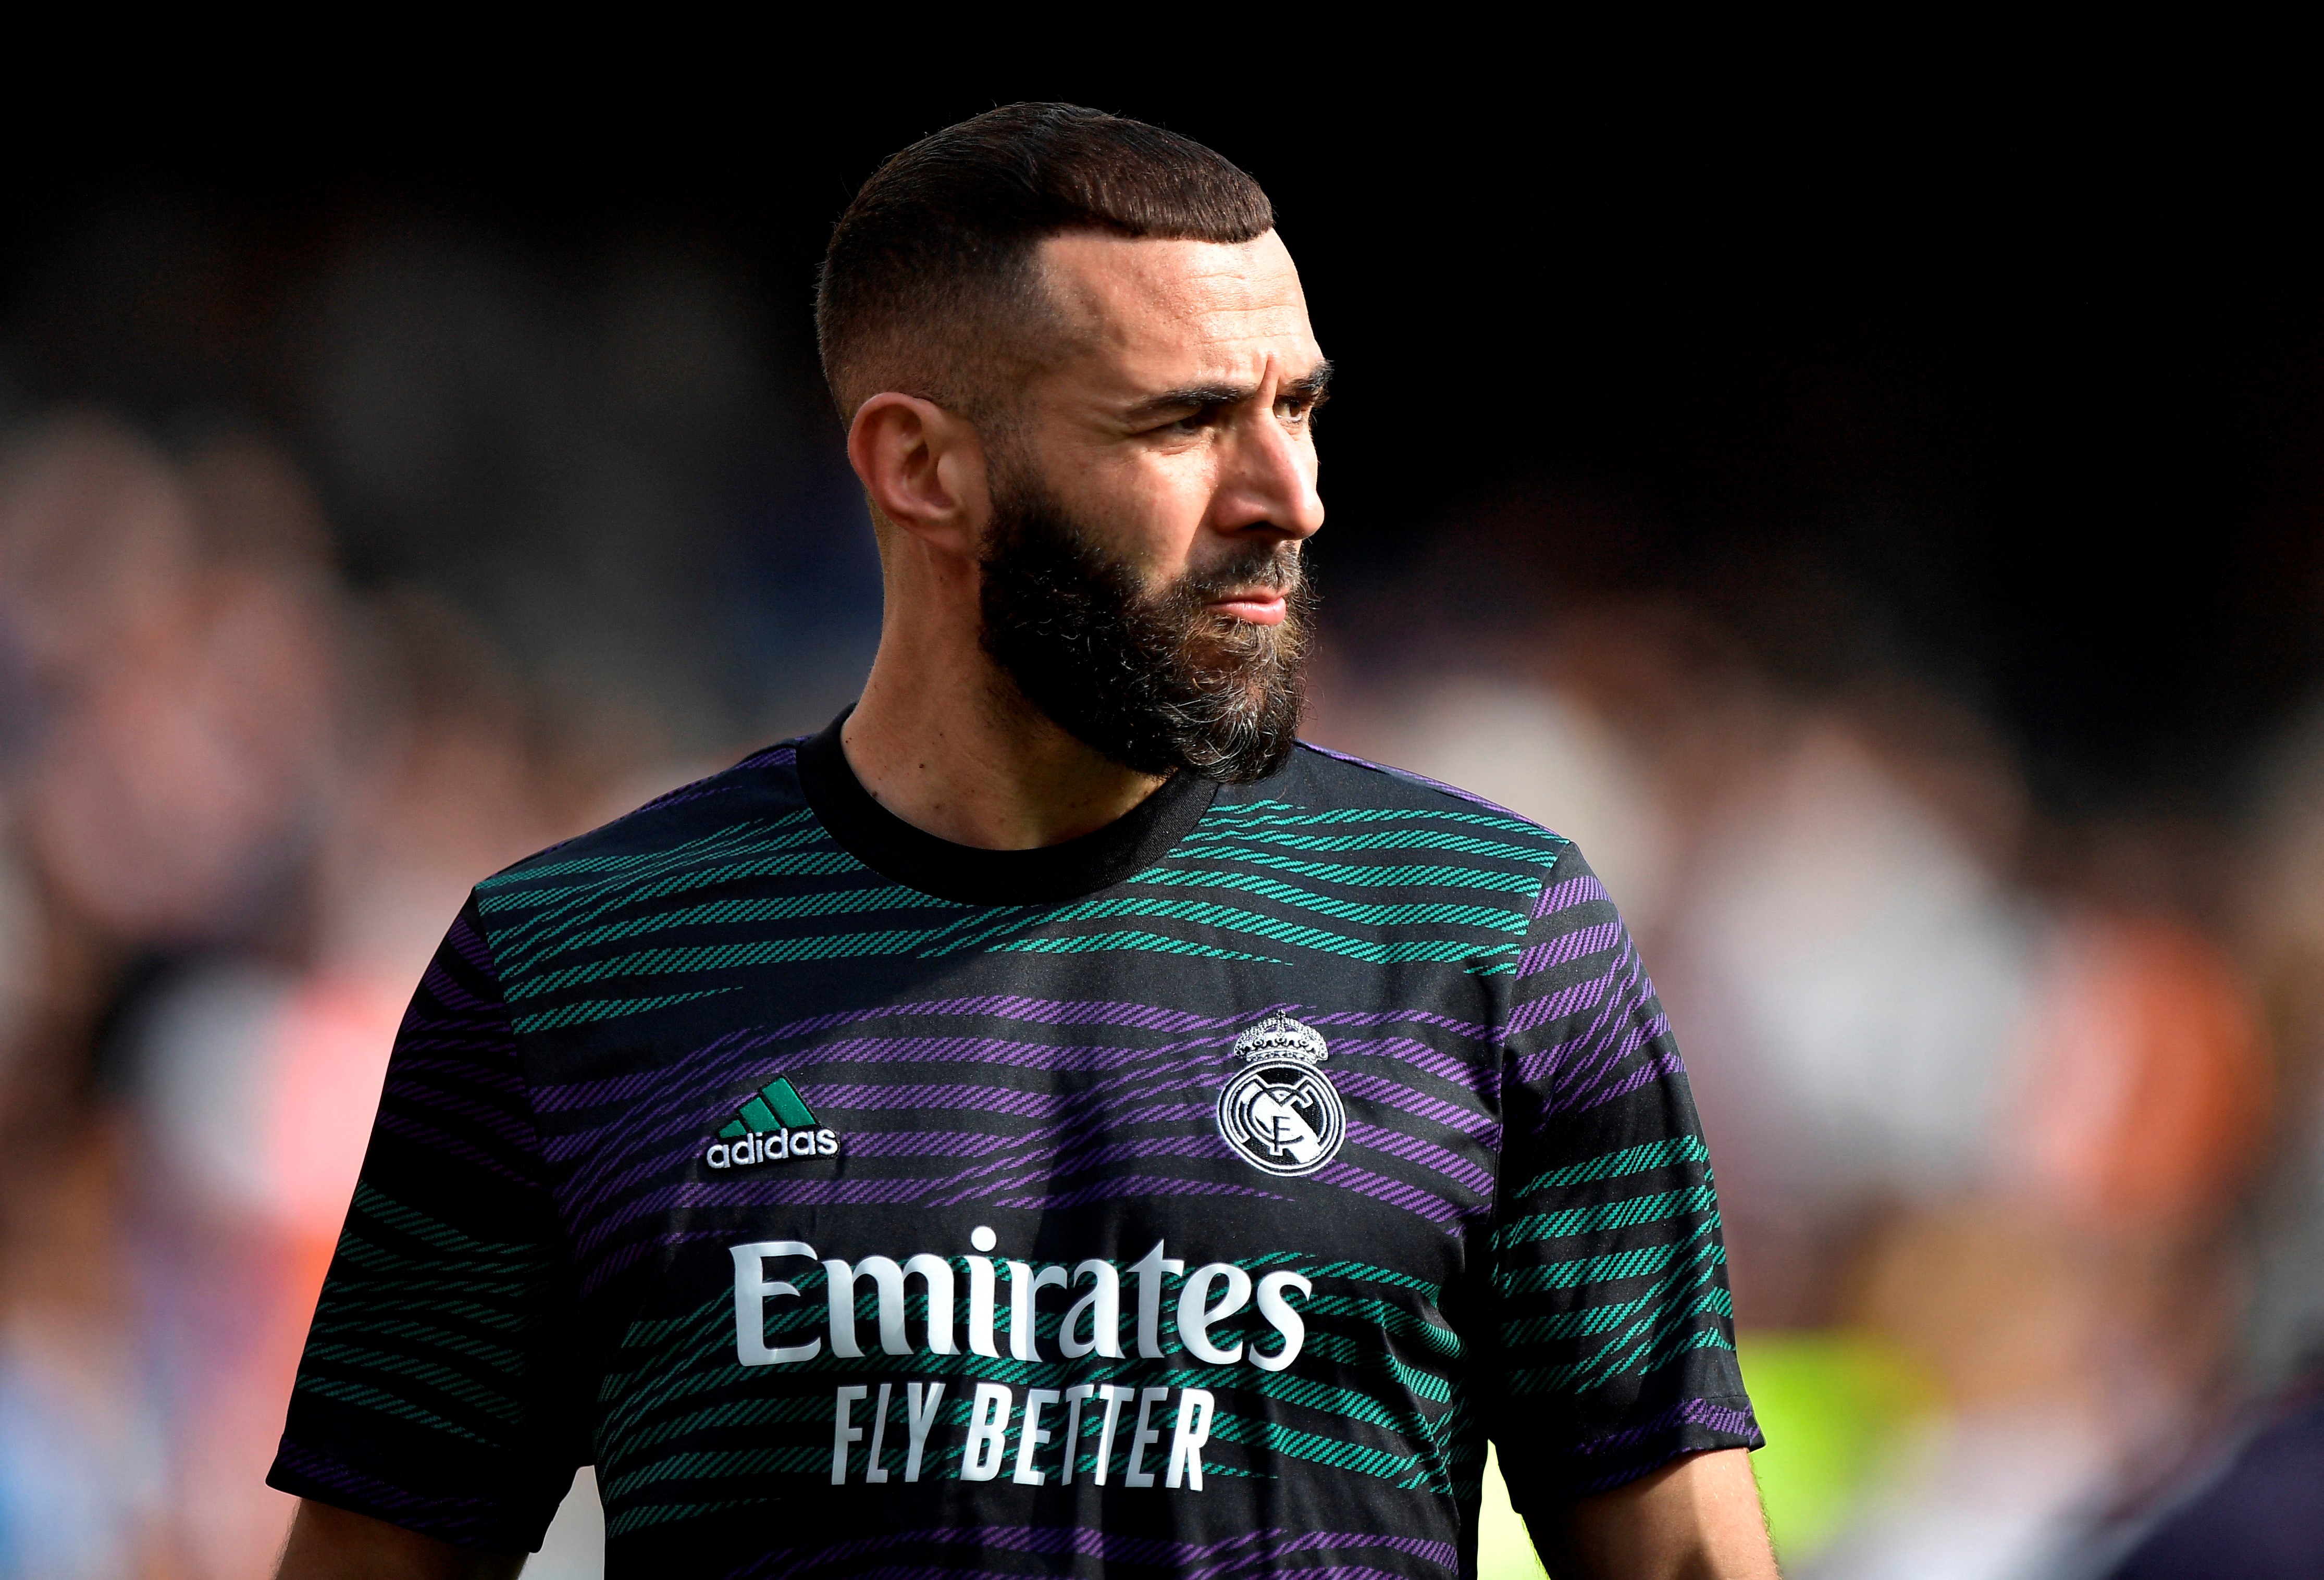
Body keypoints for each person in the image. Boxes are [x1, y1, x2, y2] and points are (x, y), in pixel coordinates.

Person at [270, 103, 1774, 1580]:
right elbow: (372, 1555)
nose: (1290, 497)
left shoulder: (1488, 933)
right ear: (923, 467)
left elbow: (1685, 1560)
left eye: (1296, 407)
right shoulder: (572, 964)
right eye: (1186, 422)